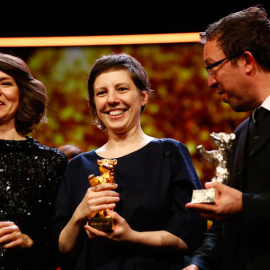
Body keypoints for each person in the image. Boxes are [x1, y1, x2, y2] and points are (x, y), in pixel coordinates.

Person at [53, 53, 207, 270]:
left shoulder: (169, 153)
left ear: (143, 97)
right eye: (101, 93)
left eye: (122, 89)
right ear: (94, 104)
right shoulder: (77, 166)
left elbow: (189, 236)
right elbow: (61, 253)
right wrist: (79, 215)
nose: (112, 99)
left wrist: (131, 236)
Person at [183, 5, 270, 270]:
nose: (210, 81)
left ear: (246, 61)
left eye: (213, 67)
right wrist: (198, 264)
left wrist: (244, 204)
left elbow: (240, 207)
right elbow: (225, 229)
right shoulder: (242, 133)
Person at [0, 52, 68, 270]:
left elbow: (62, 246)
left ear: (23, 91)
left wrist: (28, 242)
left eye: (5, 83)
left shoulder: (51, 162)